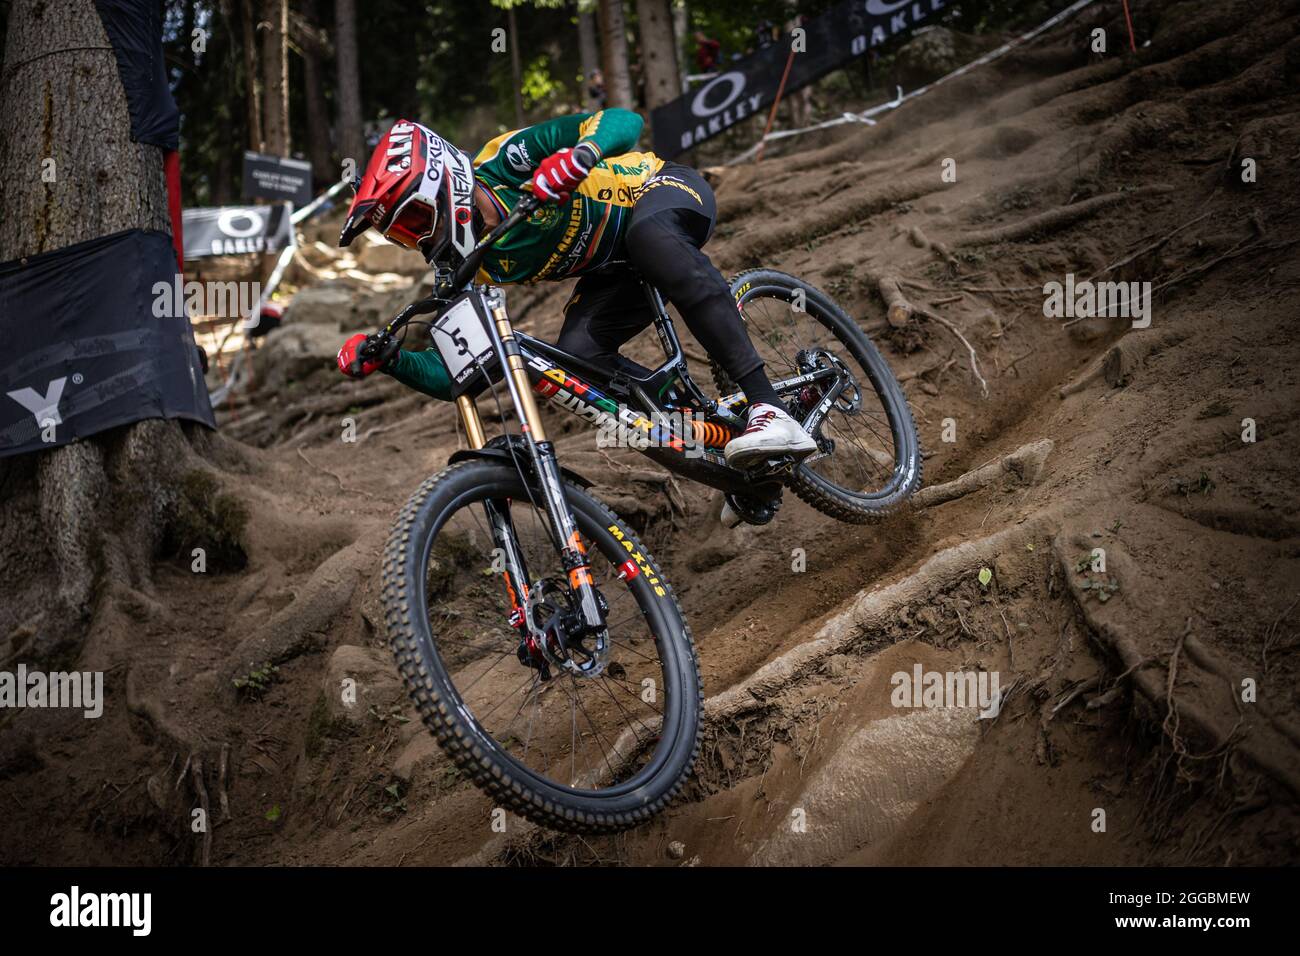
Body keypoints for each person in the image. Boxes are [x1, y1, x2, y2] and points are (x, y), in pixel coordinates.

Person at [334, 109, 815, 467]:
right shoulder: (466, 268)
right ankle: (722, 446)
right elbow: (459, 375)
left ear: (446, 179)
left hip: (663, 192)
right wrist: (392, 361)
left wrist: (580, 156)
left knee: (649, 238)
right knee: (580, 362)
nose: (419, 240)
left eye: (416, 219)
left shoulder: (504, 162)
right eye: (402, 235)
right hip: (614, 268)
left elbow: (625, 120)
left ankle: (769, 406)